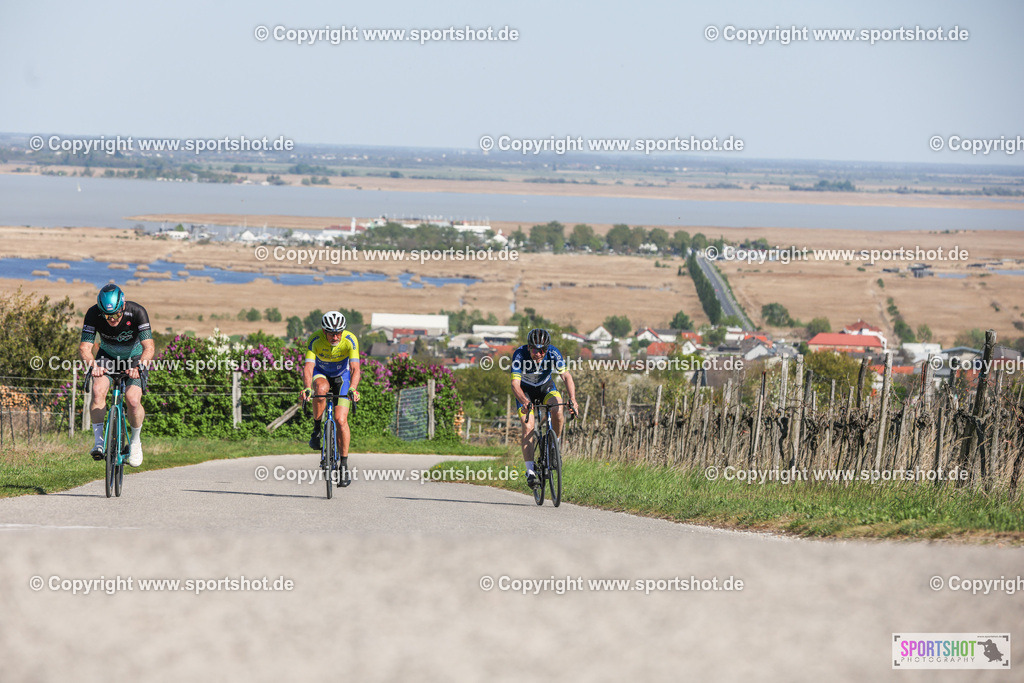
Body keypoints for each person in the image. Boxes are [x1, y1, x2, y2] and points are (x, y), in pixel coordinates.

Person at [78, 284, 154, 466]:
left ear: (123, 305)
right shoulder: (92, 313)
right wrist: (93, 365)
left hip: (135, 358)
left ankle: (135, 442)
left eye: (116, 314)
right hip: (107, 356)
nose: (112, 319)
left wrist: (140, 367)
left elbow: (149, 347)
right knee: (98, 391)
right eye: (107, 315)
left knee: (133, 399)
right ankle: (99, 442)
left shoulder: (137, 312)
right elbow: (85, 348)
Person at [510, 328, 578, 490]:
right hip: (525, 392)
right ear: (528, 348)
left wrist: (573, 400)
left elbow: (566, 376)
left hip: (545, 387)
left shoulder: (553, 353)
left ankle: (554, 448)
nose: (539, 354)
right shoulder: (519, 355)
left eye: (543, 350)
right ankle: (530, 471)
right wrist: (525, 401)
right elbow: (515, 384)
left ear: (547, 349)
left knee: (558, 410)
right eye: (535, 350)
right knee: (528, 427)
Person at [301, 311, 360, 486]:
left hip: (343, 377)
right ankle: (317, 429)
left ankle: (343, 466)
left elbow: (355, 368)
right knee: (320, 388)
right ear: (323, 331)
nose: (335, 336)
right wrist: (306, 387)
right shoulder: (315, 339)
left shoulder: (350, 340)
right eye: (331, 333)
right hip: (321, 374)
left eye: (338, 332)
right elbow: (308, 367)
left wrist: (353, 389)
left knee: (340, 420)